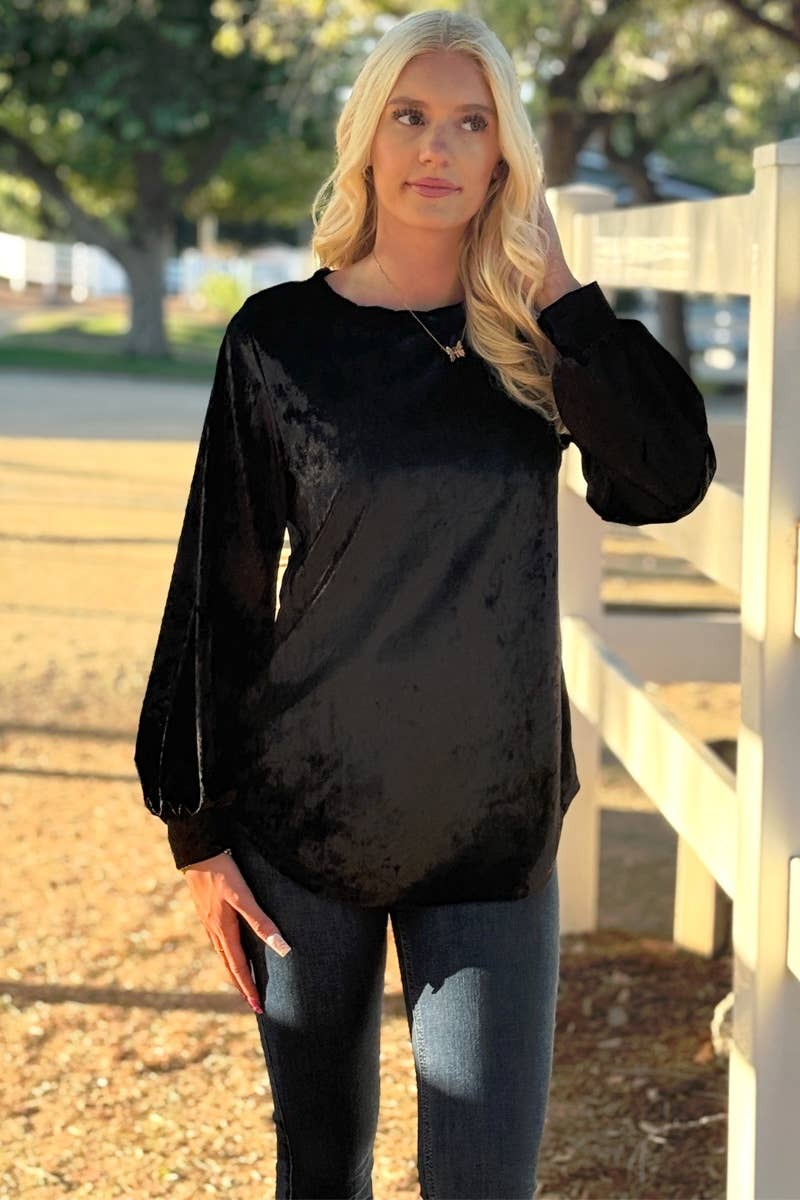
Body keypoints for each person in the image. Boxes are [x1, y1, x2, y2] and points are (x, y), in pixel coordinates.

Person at [134, 9, 716, 1199]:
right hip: (305, 821)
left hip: (488, 828)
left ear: (505, 154)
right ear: (366, 138)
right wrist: (200, 834)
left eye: (470, 122)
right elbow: (221, 583)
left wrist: (557, 291)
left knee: (483, 1179)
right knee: (322, 1169)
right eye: (410, 116)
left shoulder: (529, 345)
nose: (436, 148)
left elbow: (660, 480)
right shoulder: (277, 341)